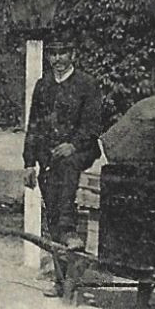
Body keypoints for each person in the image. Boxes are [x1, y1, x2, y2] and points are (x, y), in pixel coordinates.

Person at [23, 40, 105, 273]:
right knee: (52, 209)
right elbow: (34, 126)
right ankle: (62, 276)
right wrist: (29, 163)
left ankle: (70, 229)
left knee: (68, 167)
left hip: (80, 151)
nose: (58, 59)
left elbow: (92, 125)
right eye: (53, 54)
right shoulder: (43, 86)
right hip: (50, 157)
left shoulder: (87, 85)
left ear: (73, 55)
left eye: (63, 53)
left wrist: (73, 144)